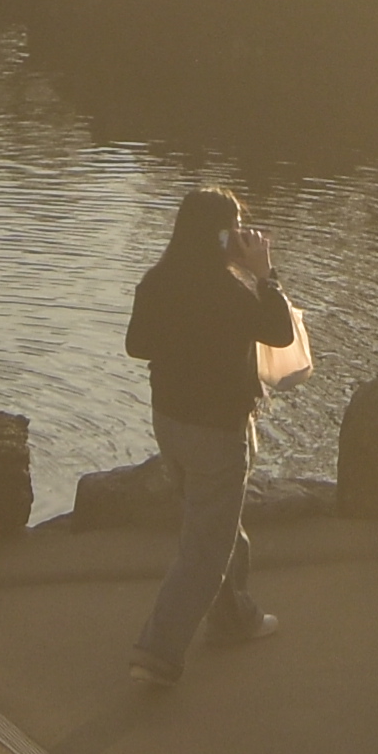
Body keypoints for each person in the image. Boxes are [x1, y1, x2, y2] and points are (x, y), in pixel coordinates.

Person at [125, 188, 297, 683]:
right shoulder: (231, 291)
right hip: (217, 429)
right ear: (221, 235)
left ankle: (233, 617)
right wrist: (266, 274)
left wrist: (181, 343)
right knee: (205, 547)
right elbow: (281, 333)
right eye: (236, 227)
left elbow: (137, 345)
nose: (242, 235)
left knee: (214, 522)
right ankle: (158, 651)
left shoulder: (157, 281)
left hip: (170, 420)